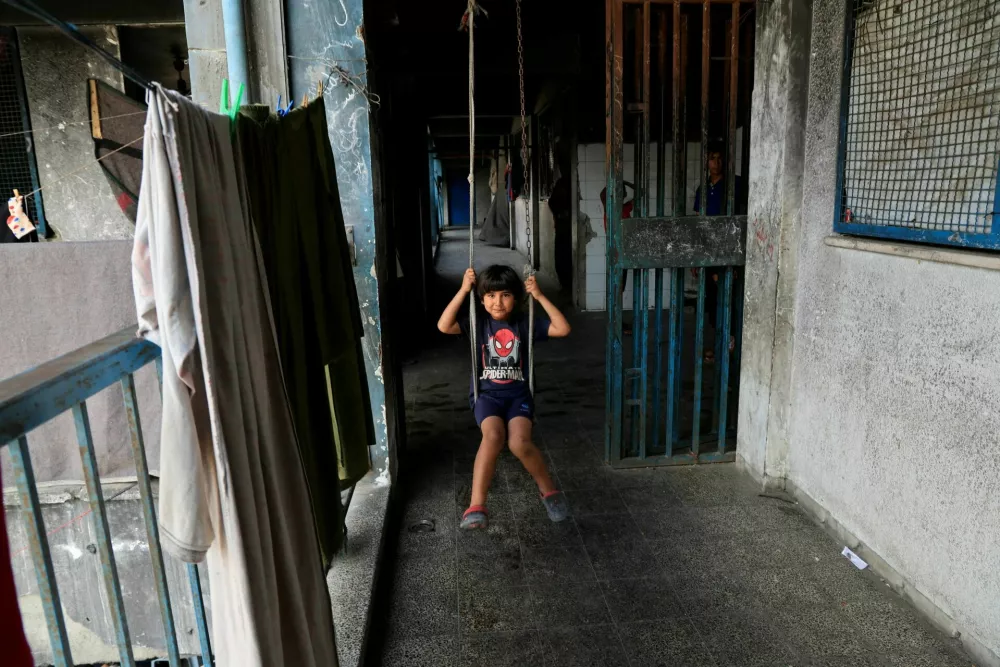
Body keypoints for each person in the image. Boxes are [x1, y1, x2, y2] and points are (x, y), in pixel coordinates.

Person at [437, 265, 572, 529]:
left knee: (519, 443)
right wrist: (464, 290)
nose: (497, 302)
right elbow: (444, 325)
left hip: (518, 396)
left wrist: (539, 296)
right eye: (490, 295)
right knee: (493, 437)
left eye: (505, 295)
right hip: (486, 396)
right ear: (481, 299)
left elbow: (562, 328)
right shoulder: (478, 323)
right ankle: (476, 505)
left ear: (517, 297)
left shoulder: (525, 322)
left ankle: (549, 491)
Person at [693, 145, 745, 362]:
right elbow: (699, 223)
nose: (717, 162)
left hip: (729, 250)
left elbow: (741, 218)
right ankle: (722, 344)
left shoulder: (736, 185)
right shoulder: (703, 189)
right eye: (712, 158)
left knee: (730, 299)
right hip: (709, 252)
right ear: (706, 162)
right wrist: (697, 257)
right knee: (714, 300)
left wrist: (735, 256)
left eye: (720, 158)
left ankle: (730, 345)